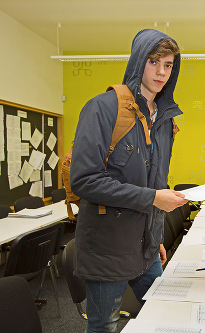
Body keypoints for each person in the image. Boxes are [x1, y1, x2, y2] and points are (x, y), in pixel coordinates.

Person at [70, 29, 188, 333]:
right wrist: (152, 199)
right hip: (107, 249)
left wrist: (156, 236)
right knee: (103, 327)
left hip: (147, 249)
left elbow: (155, 182)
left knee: (167, 318)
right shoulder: (102, 108)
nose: (162, 72)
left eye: (169, 65)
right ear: (138, 62)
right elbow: (84, 181)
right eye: (154, 62)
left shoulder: (164, 119)